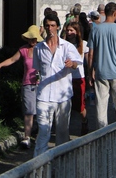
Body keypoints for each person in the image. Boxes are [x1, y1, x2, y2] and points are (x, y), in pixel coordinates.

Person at [32, 12, 83, 156]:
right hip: (44, 95)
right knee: (43, 131)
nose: (50, 29)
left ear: (58, 27)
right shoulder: (39, 48)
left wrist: (71, 64)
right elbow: (38, 69)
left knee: (62, 132)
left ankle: (61, 161)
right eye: (47, 26)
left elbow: (77, 63)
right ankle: (39, 163)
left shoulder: (67, 46)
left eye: (53, 25)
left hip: (62, 95)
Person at [0, 25, 43, 148]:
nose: (32, 41)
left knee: (41, 111)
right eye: (30, 38)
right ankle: (27, 137)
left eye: (34, 38)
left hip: (41, 84)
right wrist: (1, 65)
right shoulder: (23, 50)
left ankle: (41, 136)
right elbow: (12, 60)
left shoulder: (42, 48)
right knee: (29, 111)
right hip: (28, 83)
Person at [87, 2, 116, 129]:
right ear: (115, 13)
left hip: (101, 72)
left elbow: (90, 54)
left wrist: (90, 72)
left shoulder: (95, 30)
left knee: (101, 107)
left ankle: (102, 132)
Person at [63, 21, 90, 135]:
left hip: (78, 77)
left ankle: (84, 122)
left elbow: (88, 61)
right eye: (67, 30)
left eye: (71, 30)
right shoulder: (63, 44)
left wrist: (90, 75)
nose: (69, 33)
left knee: (80, 106)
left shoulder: (84, 44)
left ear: (77, 32)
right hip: (65, 77)